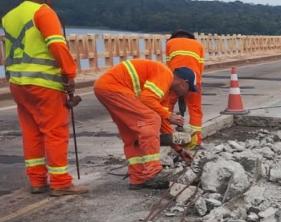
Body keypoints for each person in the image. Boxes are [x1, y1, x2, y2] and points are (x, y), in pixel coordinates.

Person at [2, 0, 87, 196]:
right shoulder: (43, 12)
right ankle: (60, 182)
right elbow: (56, 44)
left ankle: (37, 180)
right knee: (55, 131)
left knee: (31, 132)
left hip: (18, 82)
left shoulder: (9, 16)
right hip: (44, 82)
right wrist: (69, 73)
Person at [94, 59, 196, 189]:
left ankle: (138, 178)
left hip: (107, 88)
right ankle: (154, 173)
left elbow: (163, 124)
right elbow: (147, 99)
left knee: (132, 135)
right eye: (189, 89)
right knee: (151, 119)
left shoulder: (165, 92)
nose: (187, 93)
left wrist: (179, 150)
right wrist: (169, 115)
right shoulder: (166, 75)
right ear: (183, 83)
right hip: (115, 88)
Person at [165, 30, 205, 149]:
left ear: (174, 37)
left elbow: (168, 65)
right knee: (195, 109)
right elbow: (200, 67)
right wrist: (195, 82)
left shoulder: (170, 43)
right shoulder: (198, 45)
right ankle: (196, 141)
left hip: (174, 80)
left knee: (167, 107)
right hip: (194, 80)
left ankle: (166, 135)